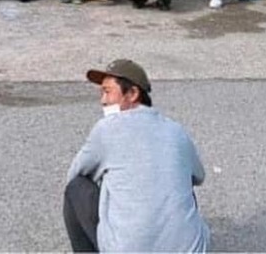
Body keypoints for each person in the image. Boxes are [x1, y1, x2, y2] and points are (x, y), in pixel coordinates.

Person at [64, 59, 209, 253]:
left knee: (76, 188)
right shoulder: (176, 130)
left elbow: (74, 174)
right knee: (182, 178)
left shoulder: (107, 129)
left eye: (107, 92)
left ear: (132, 93)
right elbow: (199, 176)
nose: (103, 101)